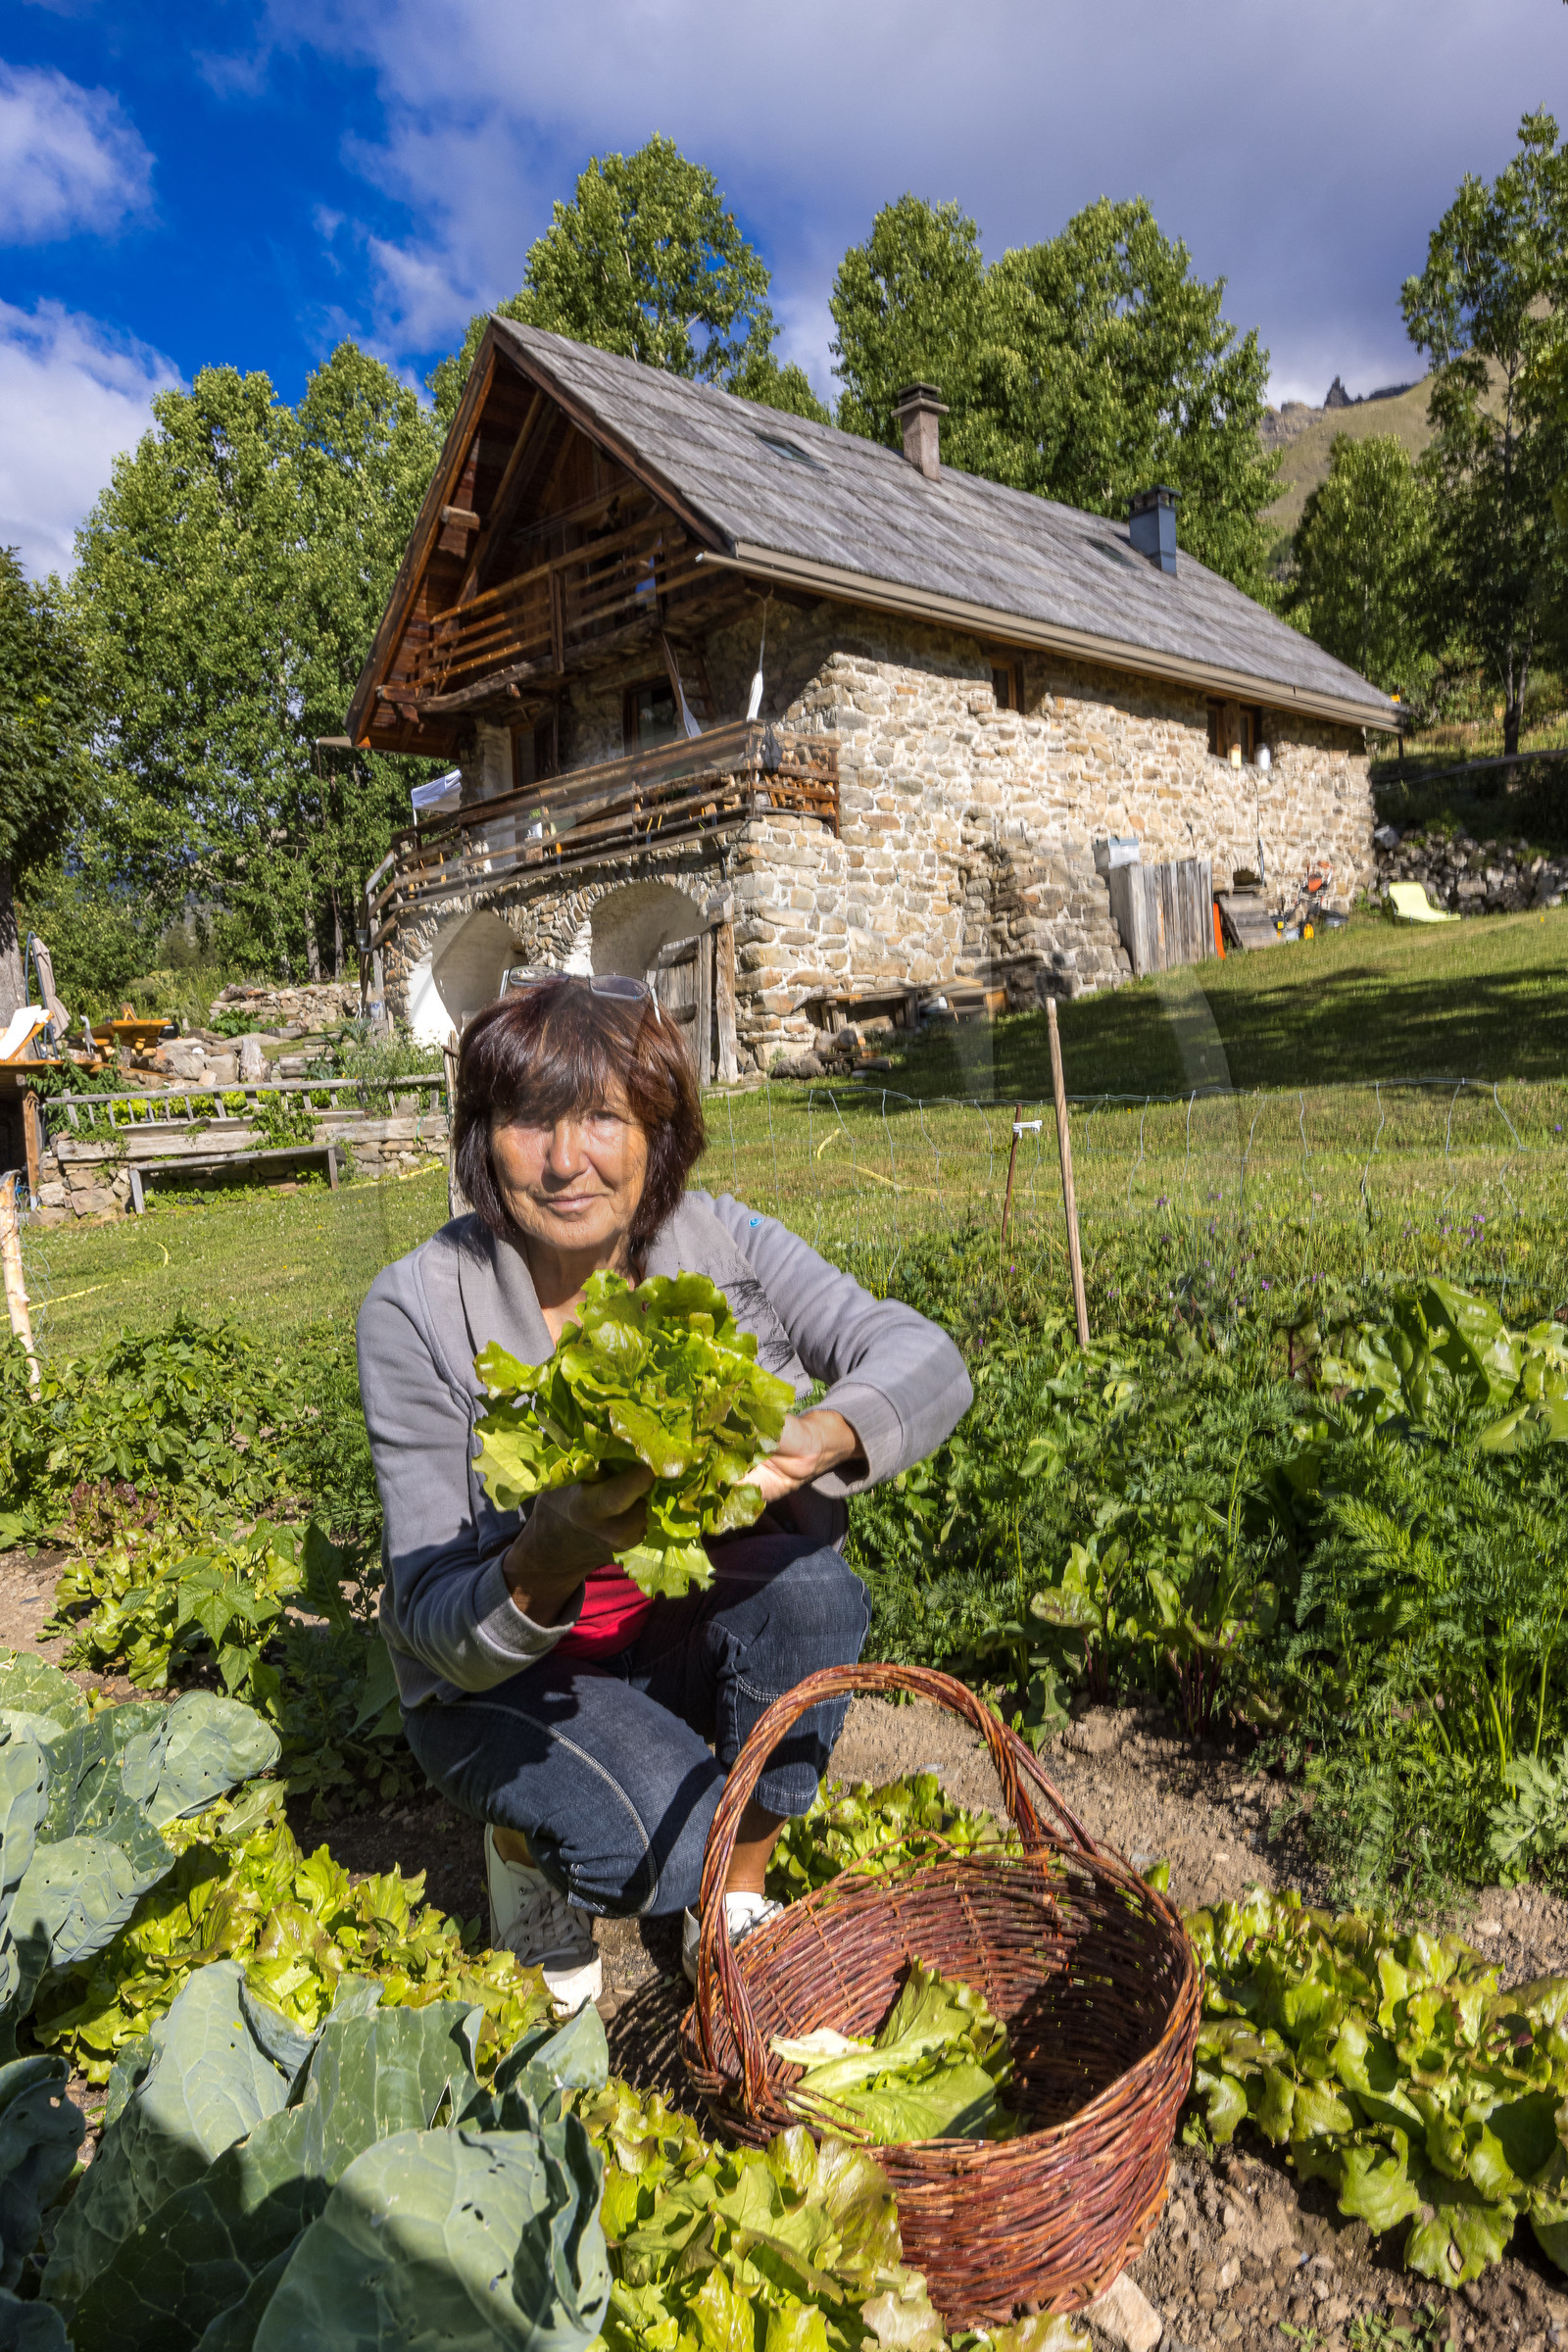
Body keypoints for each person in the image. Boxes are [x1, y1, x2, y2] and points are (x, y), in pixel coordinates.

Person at [357, 975, 971, 2009]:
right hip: (508, 1683)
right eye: (528, 1119)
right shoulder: (417, 1308)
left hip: (672, 1630)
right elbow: (427, 1617)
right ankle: (521, 1842)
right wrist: (546, 1550)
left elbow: (922, 1358)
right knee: (653, 1842)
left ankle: (726, 1904)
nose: (565, 1161)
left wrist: (818, 1436)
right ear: (479, 1136)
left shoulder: (721, 1239)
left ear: (658, 1130)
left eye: (602, 1115)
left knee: (816, 1592)